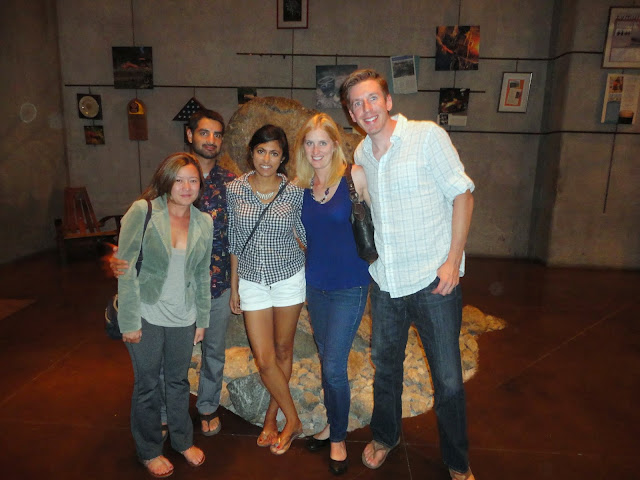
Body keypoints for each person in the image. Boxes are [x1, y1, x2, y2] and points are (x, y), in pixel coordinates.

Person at [339, 69, 476, 480]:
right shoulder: (362, 153)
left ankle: (457, 461)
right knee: (386, 368)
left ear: (388, 101)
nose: (367, 108)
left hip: (434, 280)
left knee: (448, 378)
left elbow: (463, 195)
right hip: (386, 282)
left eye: (372, 98)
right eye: (357, 103)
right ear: (351, 114)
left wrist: (453, 260)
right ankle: (385, 437)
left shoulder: (427, 136)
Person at [110, 109, 236, 438]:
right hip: (165, 293)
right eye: (204, 132)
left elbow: (240, 234)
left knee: (212, 353)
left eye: (217, 134)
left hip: (214, 285)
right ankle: (163, 416)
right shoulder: (166, 186)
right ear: (190, 135)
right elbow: (135, 247)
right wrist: (119, 261)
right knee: (160, 368)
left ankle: (207, 407)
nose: (211, 139)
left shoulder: (232, 183)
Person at [117, 152, 213, 478]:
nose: (186, 187)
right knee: (147, 384)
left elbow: (202, 275)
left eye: (193, 180)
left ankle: (183, 440)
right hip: (146, 312)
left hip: (184, 315)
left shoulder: (204, 221)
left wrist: (202, 319)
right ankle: (148, 450)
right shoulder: (143, 211)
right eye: (179, 180)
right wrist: (129, 321)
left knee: (178, 381)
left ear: (200, 184)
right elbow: (125, 268)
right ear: (166, 180)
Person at [292, 113, 370, 476]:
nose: (316, 150)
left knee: (335, 366)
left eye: (322, 142)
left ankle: (338, 437)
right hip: (316, 285)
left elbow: (382, 219)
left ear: (336, 144)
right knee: (327, 360)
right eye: (310, 143)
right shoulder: (301, 186)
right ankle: (330, 422)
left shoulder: (354, 177)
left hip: (350, 285)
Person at [227, 124, 306, 456]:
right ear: (251, 152)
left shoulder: (295, 191)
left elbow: (304, 234)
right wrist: (234, 288)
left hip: (288, 278)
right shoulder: (234, 189)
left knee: (283, 351)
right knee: (264, 358)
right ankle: (294, 419)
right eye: (261, 151)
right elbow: (234, 240)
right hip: (251, 281)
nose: (266, 159)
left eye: (274, 153)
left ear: (283, 157)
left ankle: (273, 418)